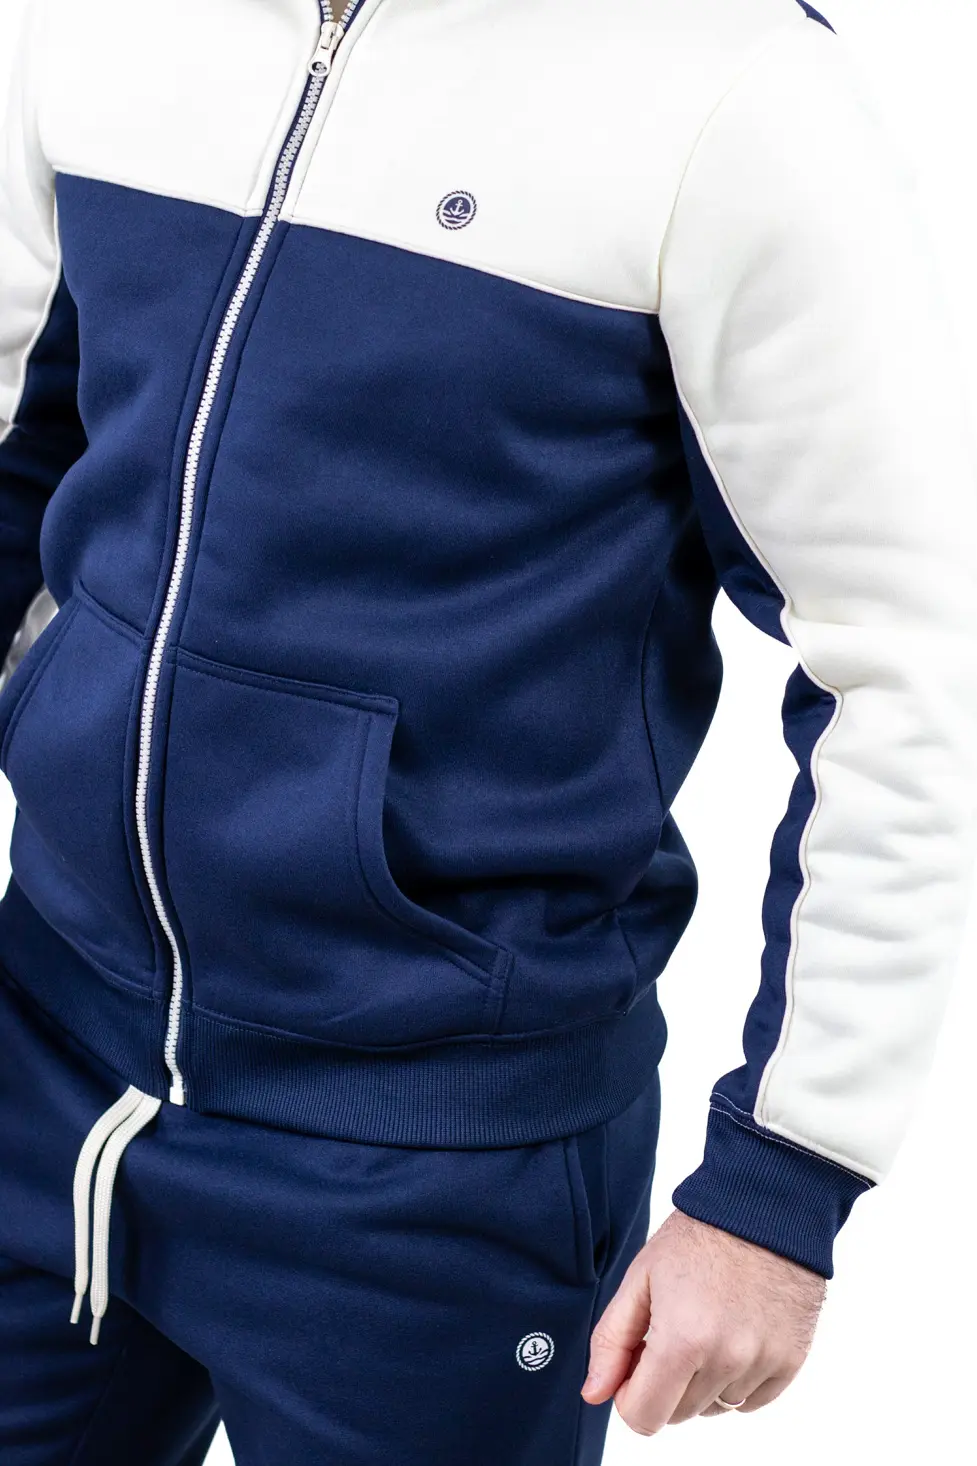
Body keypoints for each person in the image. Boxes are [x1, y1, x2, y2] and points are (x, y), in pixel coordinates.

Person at [1, 0, 975, 1461]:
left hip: (439, 1168)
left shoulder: (735, 93)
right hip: (42, 1045)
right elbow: (32, 449)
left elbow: (910, 659)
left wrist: (783, 1183)